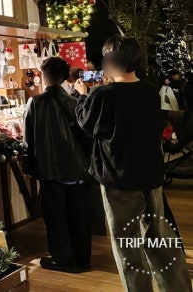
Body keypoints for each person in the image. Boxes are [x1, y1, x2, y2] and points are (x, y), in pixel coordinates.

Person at [76, 35, 191, 292]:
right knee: (160, 238)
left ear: (111, 62)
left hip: (120, 178)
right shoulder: (150, 90)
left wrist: (83, 95)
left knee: (128, 244)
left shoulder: (104, 94)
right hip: (151, 174)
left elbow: (88, 124)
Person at [23, 56, 92, 273]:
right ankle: (83, 259)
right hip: (77, 168)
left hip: (50, 169)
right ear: (64, 77)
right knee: (79, 215)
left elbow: (28, 140)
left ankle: (62, 259)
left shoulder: (36, 102)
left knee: (56, 217)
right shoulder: (74, 102)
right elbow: (86, 134)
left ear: (44, 76)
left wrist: (29, 166)